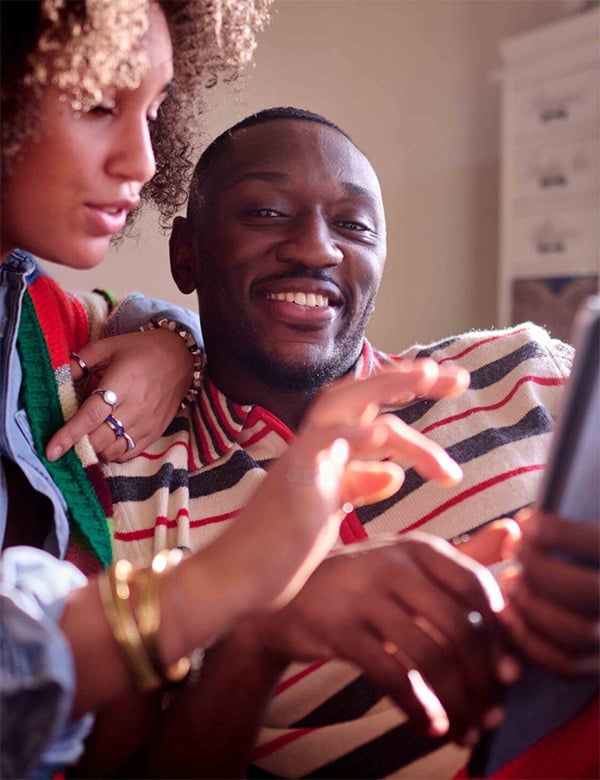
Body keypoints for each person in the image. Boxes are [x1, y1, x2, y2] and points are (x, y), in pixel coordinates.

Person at [0, 9, 475, 778]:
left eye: (155, 114)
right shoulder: (123, 480)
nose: (146, 161)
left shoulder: (38, 317)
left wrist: (176, 339)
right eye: (96, 102)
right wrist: (235, 595)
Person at [105, 107, 599, 778]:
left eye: (353, 224)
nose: (316, 249)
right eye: (267, 213)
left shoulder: (523, 369)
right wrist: (261, 639)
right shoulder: (132, 495)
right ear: (185, 253)